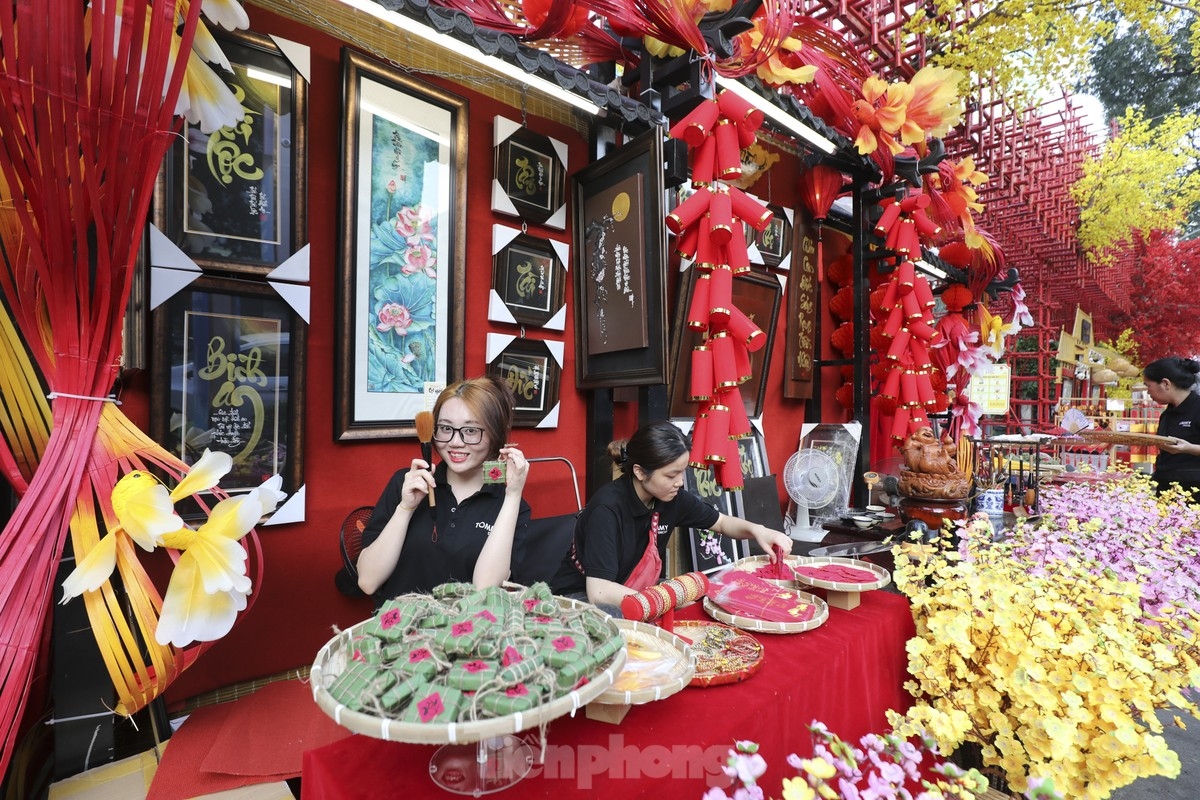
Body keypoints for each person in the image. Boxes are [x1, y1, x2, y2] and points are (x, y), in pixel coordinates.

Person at [553, 420, 792, 608]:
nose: (679, 482)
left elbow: (722, 523)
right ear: (639, 471)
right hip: (579, 600)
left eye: (682, 473)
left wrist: (759, 531)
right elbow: (600, 592)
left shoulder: (671, 498)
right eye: (670, 475)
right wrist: (666, 599)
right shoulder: (606, 509)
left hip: (636, 593)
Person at [356, 376, 530, 606]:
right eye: (446, 428)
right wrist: (405, 508)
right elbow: (368, 581)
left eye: (470, 430)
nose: (455, 442)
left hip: (465, 635)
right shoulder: (404, 483)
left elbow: (485, 590)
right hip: (397, 631)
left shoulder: (510, 505)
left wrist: (513, 495)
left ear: (494, 435)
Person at [1143, 356, 1200, 497]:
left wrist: (1189, 448)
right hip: (1166, 488)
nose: (1148, 392)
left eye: (1148, 386)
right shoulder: (1168, 413)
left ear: (1165, 384)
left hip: (1194, 493)